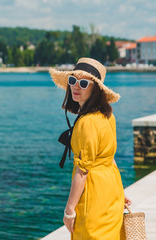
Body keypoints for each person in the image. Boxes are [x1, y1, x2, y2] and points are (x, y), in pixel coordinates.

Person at [49, 57, 132, 240]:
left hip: (94, 194)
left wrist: (69, 210)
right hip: (111, 189)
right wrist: (121, 191)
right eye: (73, 81)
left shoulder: (87, 122)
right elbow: (109, 158)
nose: (76, 87)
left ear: (95, 89)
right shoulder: (107, 115)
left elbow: (83, 171)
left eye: (84, 83)